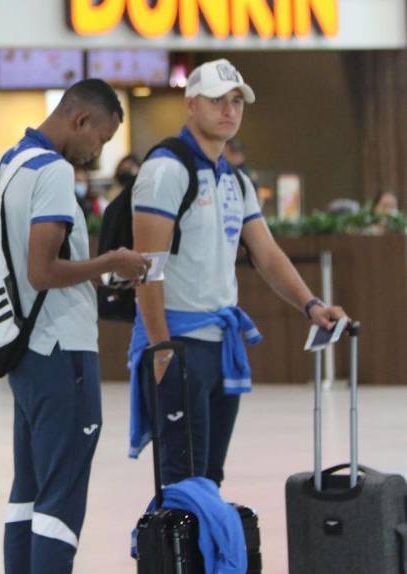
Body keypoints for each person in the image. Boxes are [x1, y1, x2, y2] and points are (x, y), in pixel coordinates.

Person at [129, 59, 348, 487]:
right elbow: (146, 268)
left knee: (210, 474)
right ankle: (176, 555)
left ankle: (207, 555)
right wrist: (161, 348)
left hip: (219, 343)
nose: (229, 110)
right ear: (191, 105)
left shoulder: (234, 180)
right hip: (178, 342)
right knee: (182, 476)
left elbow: (266, 253)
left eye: (236, 101)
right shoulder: (166, 171)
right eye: (217, 101)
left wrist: (311, 305)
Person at [0, 79, 149, 574]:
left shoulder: (12, 162)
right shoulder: (54, 171)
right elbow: (43, 270)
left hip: (25, 350)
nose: (98, 152)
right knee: (61, 499)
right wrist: (112, 260)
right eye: (101, 139)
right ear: (81, 120)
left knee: (28, 493)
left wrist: (99, 271)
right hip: (63, 352)